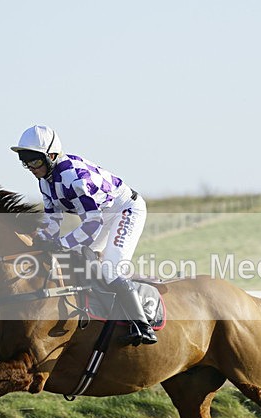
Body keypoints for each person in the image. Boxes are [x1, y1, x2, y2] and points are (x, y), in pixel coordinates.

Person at [11, 125, 157, 345]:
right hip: (100, 215)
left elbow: (92, 223)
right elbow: (53, 220)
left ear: (51, 156)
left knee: (109, 268)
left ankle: (143, 325)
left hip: (124, 210)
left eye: (35, 160)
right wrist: (38, 240)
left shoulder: (73, 179)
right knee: (82, 260)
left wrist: (62, 243)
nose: (30, 167)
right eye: (25, 161)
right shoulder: (44, 181)